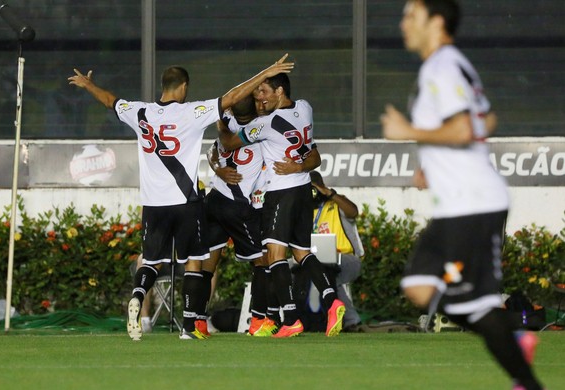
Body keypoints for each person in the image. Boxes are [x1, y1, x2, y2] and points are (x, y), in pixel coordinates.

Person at [68, 54, 294, 341]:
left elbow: (110, 100)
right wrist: (267, 72)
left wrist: (88, 84)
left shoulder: (140, 112)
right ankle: (190, 328)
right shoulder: (192, 112)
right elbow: (232, 97)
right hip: (185, 202)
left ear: (164, 85)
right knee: (194, 262)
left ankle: (138, 296)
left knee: (150, 262)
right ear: (183, 87)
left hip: (153, 204)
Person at [380, 1, 544, 389]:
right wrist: (432, 162)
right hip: (458, 205)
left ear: (436, 23)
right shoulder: (449, 65)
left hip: (474, 204)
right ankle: (513, 334)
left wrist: (409, 132)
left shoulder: (442, 66)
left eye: (412, 16)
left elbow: (461, 130)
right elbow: (485, 119)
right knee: (420, 287)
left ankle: (526, 377)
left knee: (467, 302)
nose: (404, 23)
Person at [218, 72, 346, 338]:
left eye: (263, 92)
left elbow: (229, 143)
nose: (258, 99)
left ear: (279, 92)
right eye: (256, 95)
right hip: (302, 191)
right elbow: (315, 156)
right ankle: (332, 301)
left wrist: (221, 120)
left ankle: (289, 319)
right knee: (302, 253)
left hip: (281, 193)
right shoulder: (305, 108)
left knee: (275, 255)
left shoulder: (265, 124)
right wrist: (299, 165)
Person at [201, 93, 276, 336]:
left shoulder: (225, 125)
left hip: (213, 199)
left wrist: (218, 169)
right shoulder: (262, 131)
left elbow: (211, 153)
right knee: (261, 261)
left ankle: (196, 321)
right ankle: (258, 322)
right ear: (254, 109)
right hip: (237, 205)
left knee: (208, 264)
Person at [310, 170, 364, 332]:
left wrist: (329, 193)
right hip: (319, 262)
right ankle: (303, 320)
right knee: (292, 270)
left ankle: (351, 321)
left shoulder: (336, 205)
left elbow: (353, 211)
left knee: (329, 273)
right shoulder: (305, 212)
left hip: (348, 259)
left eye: (313, 189)